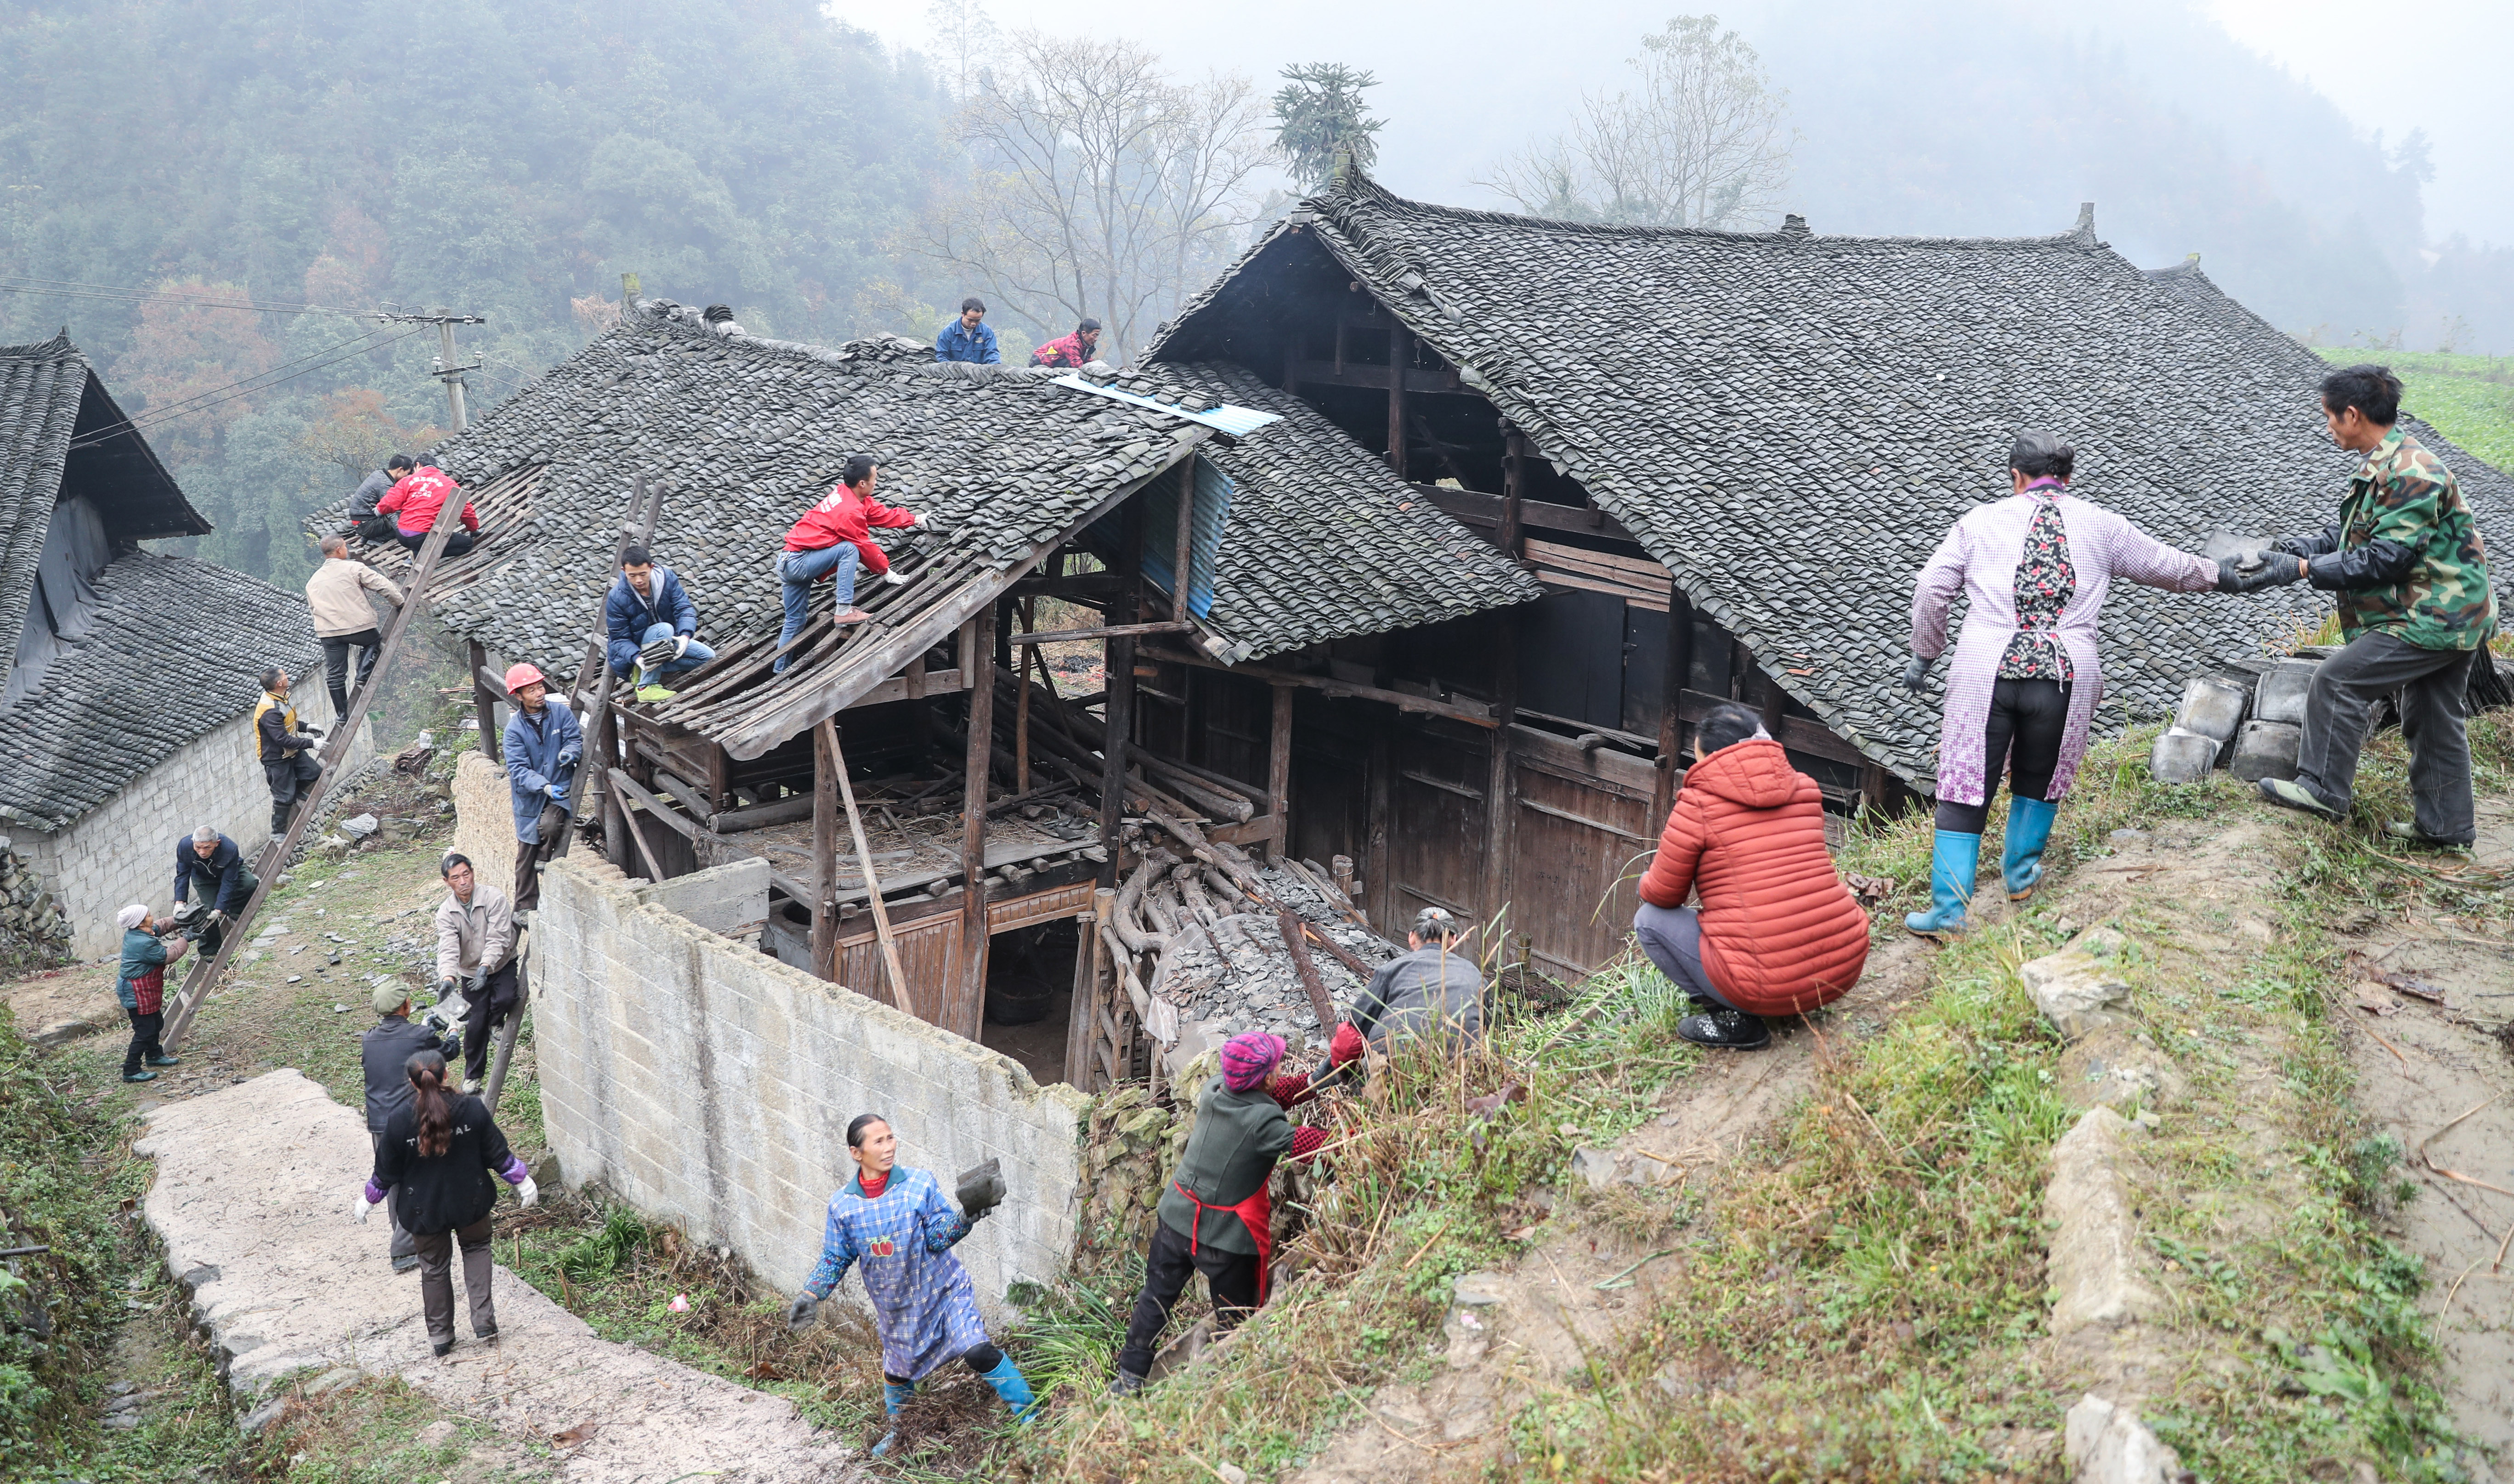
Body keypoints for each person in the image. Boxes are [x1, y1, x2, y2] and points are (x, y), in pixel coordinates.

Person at [1902, 429, 2264, 938]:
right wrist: (2224, 574)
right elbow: (2169, 567)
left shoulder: (1978, 522)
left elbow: (1932, 587)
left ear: (2015, 478)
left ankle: (1947, 911)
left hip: (1988, 670)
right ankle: (2021, 877)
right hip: (2065, 672)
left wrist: (1925, 652)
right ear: (2068, 481)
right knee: (2041, 774)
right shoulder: (2102, 524)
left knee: (1965, 780)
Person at [2244, 365, 2499, 847]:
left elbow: (2387, 558)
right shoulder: (2388, 463)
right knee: (2432, 717)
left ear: (2354, 414)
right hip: (2450, 614)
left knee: (2337, 682)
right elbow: (2354, 538)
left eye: (2330, 418)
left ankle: (2322, 790)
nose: (2328, 428)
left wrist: (2301, 572)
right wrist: (2297, 549)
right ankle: (2446, 833)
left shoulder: (2411, 472)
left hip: (2433, 617)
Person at [786, 1114, 1037, 1456]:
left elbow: (937, 1235)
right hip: (897, 1307)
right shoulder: (843, 1206)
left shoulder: (918, 1185)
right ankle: (899, 1433)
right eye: (879, 1141)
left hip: (944, 1292)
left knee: (977, 1349)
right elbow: (836, 1255)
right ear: (856, 1152)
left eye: (891, 1138)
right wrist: (812, 1293)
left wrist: (964, 1219)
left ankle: (1031, 1416)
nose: (889, 1147)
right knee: (898, 1372)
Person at [1630, 702, 1871, 1050]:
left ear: (1713, 757)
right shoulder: (1805, 788)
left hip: (1764, 985)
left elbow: (1664, 895)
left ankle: (1733, 1019)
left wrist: (1644, 881)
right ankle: (1789, 993)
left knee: (1648, 919)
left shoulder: (1698, 805)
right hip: (1843, 966)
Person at [1109, 1033, 1325, 1398]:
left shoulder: (1214, 1089)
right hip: (1223, 1237)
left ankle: (1129, 1377)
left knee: (1156, 1298)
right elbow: (1314, 1146)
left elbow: (1274, 1093)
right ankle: (1227, 1379)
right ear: (1268, 1079)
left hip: (1175, 1219)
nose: (1279, 1072)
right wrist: (1360, 1133)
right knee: (1237, 1314)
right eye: (1276, 1067)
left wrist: (1316, 1081)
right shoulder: (1265, 1124)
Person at [355, 1049, 539, 1355]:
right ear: (446, 1075)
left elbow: (385, 1172)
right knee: (477, 1248)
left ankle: (441, 1337)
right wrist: (522, 1179)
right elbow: (498, 1154)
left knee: (434, 1267)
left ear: (412, 1084)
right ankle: (484, 1323)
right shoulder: (472, 1110)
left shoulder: (400, 1121)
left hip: (423, 1209)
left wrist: (369, 1199)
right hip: (471, 1200)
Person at [773, 455, 934, 673]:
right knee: (849, 549)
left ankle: (779, 673)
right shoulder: (848, 511)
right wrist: (886, 572)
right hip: (799, 562)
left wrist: (914, 520)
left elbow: (879, 513)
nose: (876, 483)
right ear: (862, 483)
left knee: (795, 620)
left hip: (788, 561)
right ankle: (844, 610)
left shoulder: (847, 495)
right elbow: (863, 545)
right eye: (874, 479)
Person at [1314, 907, 1483, 1083]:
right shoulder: (1475, 975)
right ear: (1455, 940)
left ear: (1412, 938)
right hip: (1461, 1071)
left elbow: (1351, 1037)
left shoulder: (1392, 969)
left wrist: (1331, 1074)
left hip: (1395, 1070)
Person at [360, 982, 450, 1272]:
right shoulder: (420, 1036)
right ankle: (403, 1249)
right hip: (408, 1120)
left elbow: (396, 1051)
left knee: (393, 1180)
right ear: (406, 1006)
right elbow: (447, 1053)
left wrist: (423, 1028)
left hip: (378, 1123)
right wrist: (454, 1030)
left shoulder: (368, 1039)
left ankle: (405, 1239)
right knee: (419, 1178)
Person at [499, 664, 581, 912]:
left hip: (560, 790)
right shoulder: (514, 731)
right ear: (519, 696)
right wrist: (544, 787)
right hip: (531, 798)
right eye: (532, 690)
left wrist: (569, 753)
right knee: (525, 855)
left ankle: (545, 860)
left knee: (549, 825)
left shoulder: (560, 713)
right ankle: (525, 908)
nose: (539, 693)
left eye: (540, 687)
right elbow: (519, 770)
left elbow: (574, 739)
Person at [433, 853, 518, 1092]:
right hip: (470, 972)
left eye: (466, 874)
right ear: (447, 882)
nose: (463, 882)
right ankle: (473, 1076)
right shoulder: (446, 912)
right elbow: (448, 947)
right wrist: (448, 979)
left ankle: (495, 1022)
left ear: (473, 873)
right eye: (456, 878)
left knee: (506, 999)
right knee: (473, 1025)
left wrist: (487, 966)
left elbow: (499, 936)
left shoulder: (494, 897)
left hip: (501, 963)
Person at [306, 535, 405, 717]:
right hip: (358, 627)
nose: (348, 550)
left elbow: (313, 608)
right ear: (339, 550)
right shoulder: (354, 567)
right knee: (374, 642)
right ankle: (363, 675)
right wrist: (399, 602)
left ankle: (342, 714)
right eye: (346, 546)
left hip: (328, 632)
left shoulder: (313, 581)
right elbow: (382, 585)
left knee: (335, 674)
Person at [603, 544, 713, 700]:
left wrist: (685, 636)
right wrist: (637, 658)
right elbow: (620, 639)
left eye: (643, 574)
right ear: (624, 571)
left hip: (665, 643)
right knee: (665, 629)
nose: (639, 580)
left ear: (652, 567)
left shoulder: (667, 579)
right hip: (636, 651)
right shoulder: (617, 597)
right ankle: (645, 686)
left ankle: (648, 669)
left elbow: (684, 608)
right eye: (632, 576)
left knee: (707, 657)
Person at [114, 904, 187, 1083]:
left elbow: (161, 926)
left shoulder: (141, 932)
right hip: (135, 991)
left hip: (144, 988)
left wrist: (180, 920)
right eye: (148, 915)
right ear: (140, 923)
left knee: (156, 1023)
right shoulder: (143, 943)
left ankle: (154, 1055)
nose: (152, 917)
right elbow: (168, 955)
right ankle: (131, 1070)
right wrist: (187, 939)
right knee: (144, 1031)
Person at [255, 665, 324, 841]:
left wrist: (306, 727)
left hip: (291, 750)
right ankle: (278, 832)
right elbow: (282, 739)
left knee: (314, 773)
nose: (287, 677)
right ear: (279, 683)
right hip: (277, 757)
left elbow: (288, 722)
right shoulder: (270, 710)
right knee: (284, 797)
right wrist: (311, 744)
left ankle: (297, 791)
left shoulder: (281, 697)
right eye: (284, 675)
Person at [172, 824, 256, 960]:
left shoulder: (230, 849)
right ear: (193, 842)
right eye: (198, 847)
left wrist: (220, 910)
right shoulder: (184, 846)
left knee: (250, 884)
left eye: (207, 848)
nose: (202, 852)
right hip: (203, 878)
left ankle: (234, 912)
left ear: (217, 844)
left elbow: (229, 882)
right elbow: (182, 875)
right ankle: (209, 951)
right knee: (207, 911)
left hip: (229, 872)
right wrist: (180, 902)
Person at [375, 460, 479, 557]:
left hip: (402, 536)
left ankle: (417, 551)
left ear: (418, 465)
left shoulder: (407, 481)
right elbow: (466, 510)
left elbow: (390, 502)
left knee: (421, 537)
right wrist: (473, 529)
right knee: (467, 544)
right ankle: (418, 555)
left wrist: (379, 510)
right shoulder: (448, 483)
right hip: (424, 537)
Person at [346, 454, 415, 544]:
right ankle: (377, 540)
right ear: (400, 469)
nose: (407, 476)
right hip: (366, 525)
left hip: (362, 521)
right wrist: (401, 534)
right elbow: (391, 513)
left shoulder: (379, 474)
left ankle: (368, 537)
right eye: (407, 473)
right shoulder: (385, 484)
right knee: (405, 523)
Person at [934, 297, 999, 364]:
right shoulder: (948, 332)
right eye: (970, 320)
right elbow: (941, 356)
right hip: (954, 373)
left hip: (979, 373)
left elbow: (992, 354)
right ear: (963, 314)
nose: (973, 324)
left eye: (978, 321)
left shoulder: (987, 332)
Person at [1028, 317, 1102, 369]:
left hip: (1056, 360)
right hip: (1038, 360)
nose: (1096, 339)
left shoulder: (1085, 345)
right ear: (1084, 333)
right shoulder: (1072, 345)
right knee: (1070, 366)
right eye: (1094, 335)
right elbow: (1078, 366)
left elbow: (1087, 361)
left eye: (1097, 335)